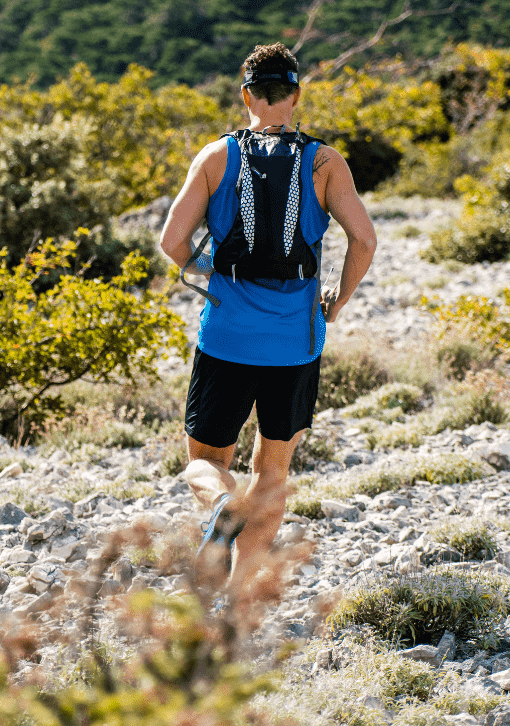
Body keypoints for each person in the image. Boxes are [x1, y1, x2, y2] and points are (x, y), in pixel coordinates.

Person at [159, 43, 376, 597]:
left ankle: (223, 505)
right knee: (273, 470)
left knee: (203, 462)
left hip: (227, 333)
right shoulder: (325, 161)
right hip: (296, 341)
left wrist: (208, 273)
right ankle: (241, 597)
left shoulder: (216, 156)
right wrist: (338, 300)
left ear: (247, 94)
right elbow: (364, 240)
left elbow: (171, 241)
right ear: (296, 94)